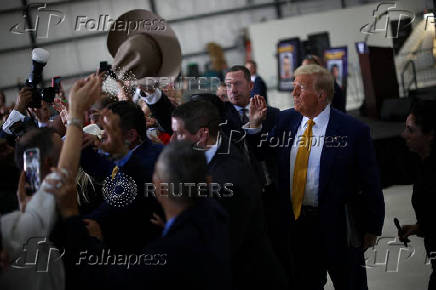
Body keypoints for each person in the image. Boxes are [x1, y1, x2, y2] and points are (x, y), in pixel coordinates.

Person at [246, 64, 385, 290]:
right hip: (297, 226)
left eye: (300, 88)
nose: (293, 94)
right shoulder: (286, 120)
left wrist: (373, 226)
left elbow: (370, 181)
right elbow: (263, 153)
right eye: (293, 87)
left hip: (339, 227)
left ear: (321, 95)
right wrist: (254, 126)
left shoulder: (353, 130)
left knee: (351, 284)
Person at [48, 141, 232, 290]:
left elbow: (103, 280)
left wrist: (71, 214)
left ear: (159, 188)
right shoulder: (214, 213)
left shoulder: (167, 254)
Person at [170, 100, 288, 290]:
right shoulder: (215, 142)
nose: (172, 140)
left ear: (202, 134)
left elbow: (219, 245)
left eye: (179, 134)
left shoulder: (228, 181)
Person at [79, 101, 163, 253]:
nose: (102, 135)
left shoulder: (149, 164)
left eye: (108, 131)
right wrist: (84, 145)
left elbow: (109, 209)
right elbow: (104, 169)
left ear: (130, 135)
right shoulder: (132, 153)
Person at [399, 100, 436, 290]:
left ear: (430, 135)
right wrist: (418, 227)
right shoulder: (422, 164)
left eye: (411, 130)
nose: (404, 135)